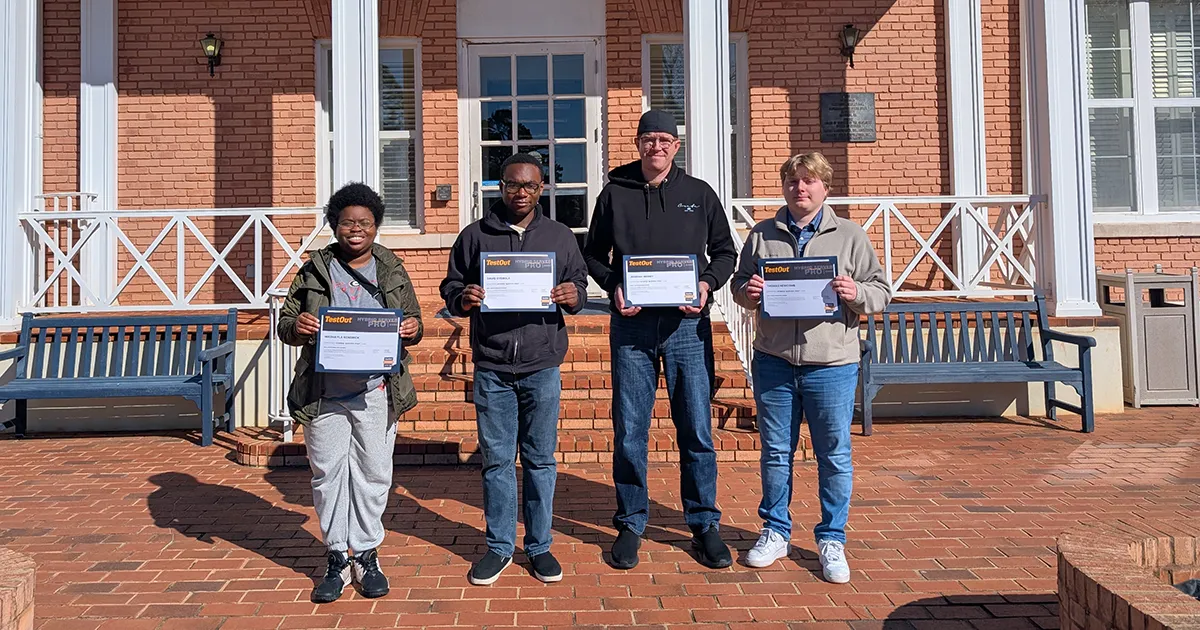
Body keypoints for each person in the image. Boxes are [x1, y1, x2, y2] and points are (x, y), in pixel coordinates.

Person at [582, 109, 738, 570]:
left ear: (676, 145)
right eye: (649, 139)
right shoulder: (615, 194)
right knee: (630, 429)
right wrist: (613, 286)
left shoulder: (699, 194)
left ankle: (703, 522)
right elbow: (593, 253)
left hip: (687, 327)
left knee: (695, 428)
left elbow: (725, 252)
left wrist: (707, 284)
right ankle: (631, 521)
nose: (657, 147)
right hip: (632, 327)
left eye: (665, 140)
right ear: (638, 144)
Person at [731, 152, 892, 582]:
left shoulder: (851, 236)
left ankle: (831, 538)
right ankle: (775, 531)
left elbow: (881, 292)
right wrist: (750, 290)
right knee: (775, 453)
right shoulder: (763, 234)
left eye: (808, 181)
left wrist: (856, 291)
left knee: (834, 456)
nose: (799, 188)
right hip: (775, 361)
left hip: (831, 364)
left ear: (825, 187)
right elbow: (738, 286)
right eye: (792, 181)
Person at [440, 153, 590, 585]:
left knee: (541, 459)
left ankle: (539, 546)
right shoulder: (475, 236)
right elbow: (450, 286)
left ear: (542, 189)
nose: (520, 192)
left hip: (542, 364)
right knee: (498, 461)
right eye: (512, 184)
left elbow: (579, 283)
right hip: (493, 364)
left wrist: (572, 295)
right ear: (499, 186)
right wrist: (462, 298)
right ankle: (500, 547)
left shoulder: (559, 236)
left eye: (530, 186)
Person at [277, 182, 424, 603]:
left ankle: (366, 551)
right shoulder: (314, 269)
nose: (355, 230)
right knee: (327, 474)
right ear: (334, 225)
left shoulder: (391, 268)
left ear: (375, 226)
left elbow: (411, 321)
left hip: (377, 390)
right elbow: (287, 322)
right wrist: (298, 326)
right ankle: (337, 555)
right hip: (324, 393)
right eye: (346, 223)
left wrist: (412, 329)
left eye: (364, 223)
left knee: (374, 473)